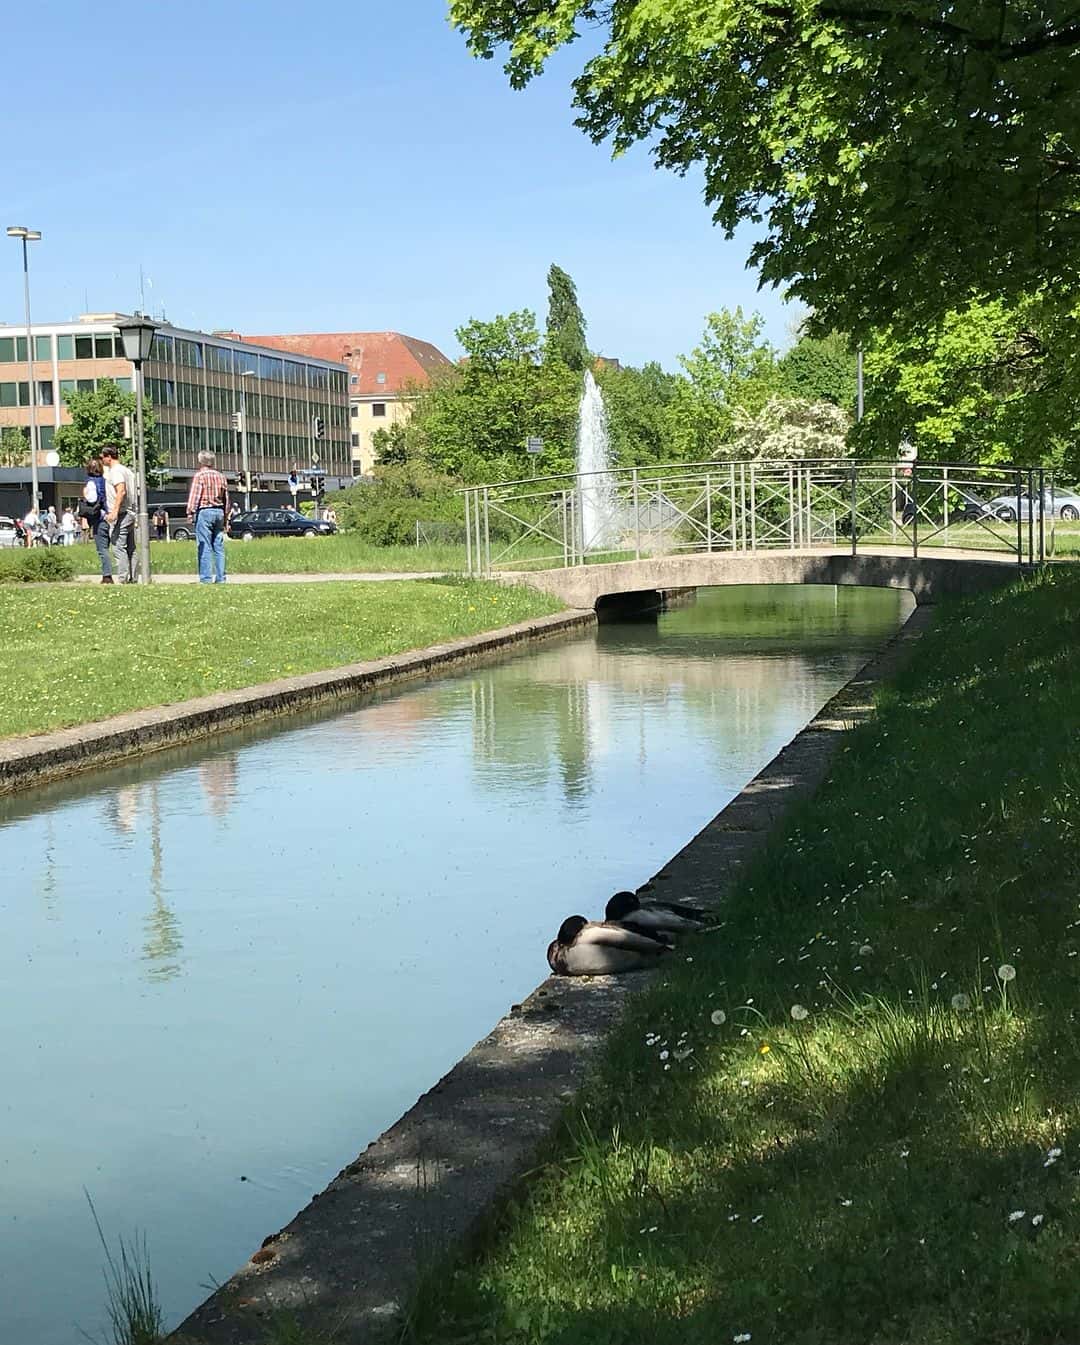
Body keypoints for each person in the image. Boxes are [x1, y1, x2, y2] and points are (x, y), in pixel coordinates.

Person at [186, 449, 229, 584]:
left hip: (205, 511)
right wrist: (226, 515)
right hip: (219, 511)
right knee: (219, 546)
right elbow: (226, 497)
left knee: (204, 546)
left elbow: (195, 495)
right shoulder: (221, 476)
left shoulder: (200, 476)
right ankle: (221, 578)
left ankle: (206, 578)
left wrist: (190, 511)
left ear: (200, 461)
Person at [101, 445, 137, 583]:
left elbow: (121, 491)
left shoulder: (116, 472)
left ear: (109, 457)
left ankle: (123, 578)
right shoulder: (127, 470)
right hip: (130, 511)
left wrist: (114, 511)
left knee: (117, 546)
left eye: (103, 457)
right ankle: (133, 577)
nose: (102, 460)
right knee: (131, 547)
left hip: (122, 513)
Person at [81, 458, 112, 583]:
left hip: (100, 519)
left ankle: (107, 576)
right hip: (110, 516)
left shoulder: (91, 483)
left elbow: (92, 499)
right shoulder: (106, 481)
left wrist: (85, 495)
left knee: (102, 549)